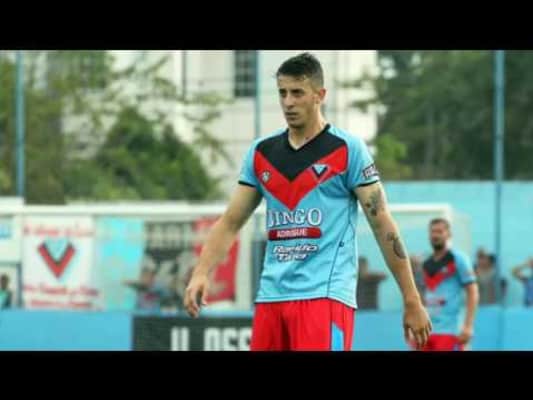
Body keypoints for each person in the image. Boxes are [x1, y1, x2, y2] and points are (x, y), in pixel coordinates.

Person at [184, 52, 431, 351]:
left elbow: (383, 226)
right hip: (271, 298)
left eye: (297, 93)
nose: (288, 102)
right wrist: (201, 273)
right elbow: (230, 223)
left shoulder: (348, 150)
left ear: (319, 95)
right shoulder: (261, 153)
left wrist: (411, 299)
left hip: (324, 297)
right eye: (282, 93)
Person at [416, 218, 479, 351]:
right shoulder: (425, 262)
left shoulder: (458, 259)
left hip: (451, 330)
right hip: (427, 331)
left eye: (439, 231)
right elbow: (421, 295)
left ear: (448, 234)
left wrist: (468, 326)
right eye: (432, 231)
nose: (435, 235)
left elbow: (472, 291)